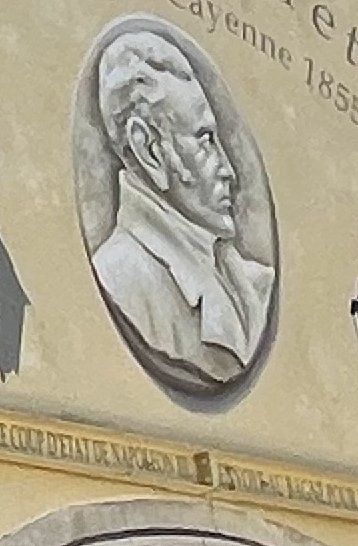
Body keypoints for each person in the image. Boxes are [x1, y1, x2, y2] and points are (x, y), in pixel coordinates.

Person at [86, 28, 273, 385]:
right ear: (150, 150)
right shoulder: (123, 278)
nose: (229, 172)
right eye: (205, 142)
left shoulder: (248, 280)